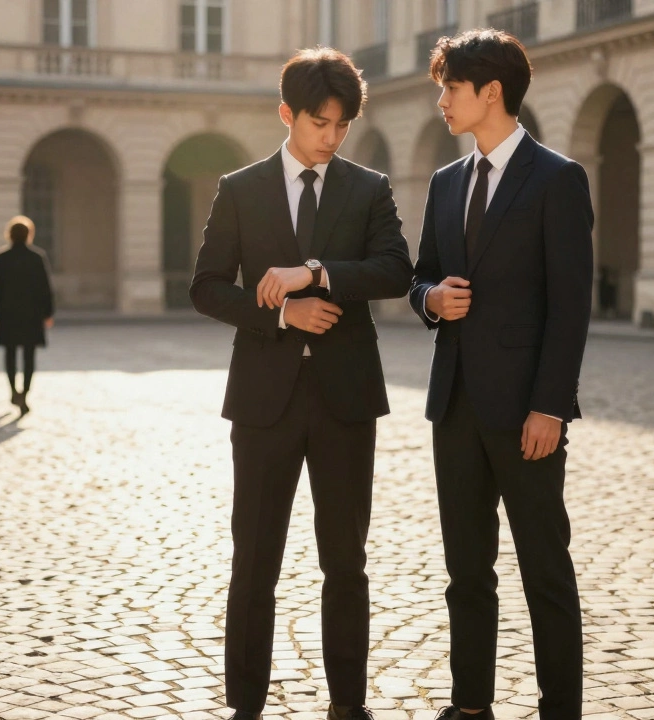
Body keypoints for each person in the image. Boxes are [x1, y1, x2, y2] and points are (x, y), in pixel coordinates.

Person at [189, 47, 413, 720]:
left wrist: (314, 272)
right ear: (287, 114)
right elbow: (203, 288)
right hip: (264, 403)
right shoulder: (241, 188)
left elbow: (396, 271)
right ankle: (246, 706)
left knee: (346, 564)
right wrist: (283, 313)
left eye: (342, 125)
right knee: (254, 561)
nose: (332, 137)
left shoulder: (367, 187)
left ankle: (350, 707)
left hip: (346, 402)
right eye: (320, 123)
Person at [407, 29, 594, 720]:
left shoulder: (557, 178)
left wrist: (550, 406)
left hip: (525, 415)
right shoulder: (446, 180)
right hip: (453, 404)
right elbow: (421, 273)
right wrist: (429, 298)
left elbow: (571, 305)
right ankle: (469, 706)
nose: (441, 102)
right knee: (466, 574)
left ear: (491, 92)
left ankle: (560, 710)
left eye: (449, 88)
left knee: (545, 571)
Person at [0, 215, 54, 416]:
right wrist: (48, 313)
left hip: (8, 314)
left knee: (10, 354)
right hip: (32, 314)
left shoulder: (1, 258)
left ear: (9, 235)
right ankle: (24, 392)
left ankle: (13, 391)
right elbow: (45, 289)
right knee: (29, 356)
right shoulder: (37, 257)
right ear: (29, 235)